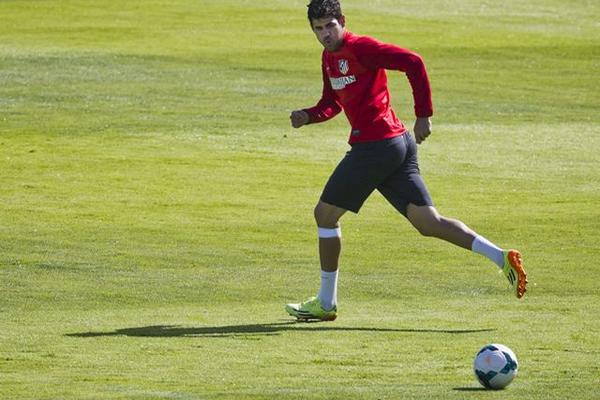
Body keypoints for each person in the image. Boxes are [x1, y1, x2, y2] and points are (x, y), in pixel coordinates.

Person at [285, 0, 527, 321]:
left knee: (325, 215)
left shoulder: (362, 48)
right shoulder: (329, 58)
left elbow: (413, 62)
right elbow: (332, 103)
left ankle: (326, 303)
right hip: (395, 145)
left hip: (377, 146)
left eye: (330, 25)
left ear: (342, 20)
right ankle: (501, 257)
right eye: (318, 28)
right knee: (429, 223)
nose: (325, 34)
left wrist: (424, 114)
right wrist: (308, 116)